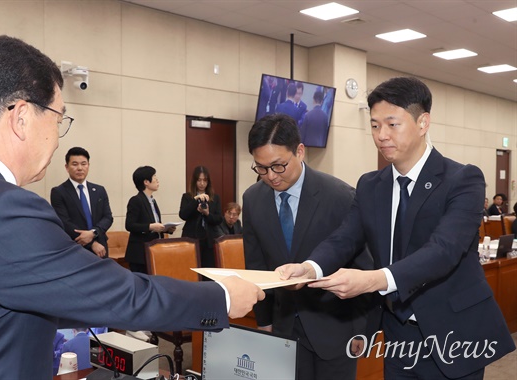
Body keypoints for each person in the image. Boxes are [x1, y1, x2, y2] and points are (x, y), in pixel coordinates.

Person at [0, 35, 264, 379]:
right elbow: (124, 296)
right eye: (58, 119)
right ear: (21, 117)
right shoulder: (4, 209)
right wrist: (222, 297)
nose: (57, 138)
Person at [279, 77, 515, 379]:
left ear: (423, 122)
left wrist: (373, 280)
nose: (381, 136)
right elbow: (345, 238)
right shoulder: (370, 185)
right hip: (397, 332)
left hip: (454, 331)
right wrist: (311, 268)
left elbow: (444, 250)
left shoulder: (462, 179)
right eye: (375, 126)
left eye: (392, 124)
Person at [243, 113, 374, 379]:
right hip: (283, 326)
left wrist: (363, 329)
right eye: (261, 167)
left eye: (278, 166)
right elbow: (256, 265)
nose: (270, 176)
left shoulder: (340, 196)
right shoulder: (253, 199)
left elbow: (364, 265)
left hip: (336, 328)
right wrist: (264, 321)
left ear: (300, 151)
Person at [124, 166, 175, 342]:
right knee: (140, 291)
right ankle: (135, 327)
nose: (157, 180)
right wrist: (151, 227)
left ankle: (147, 325)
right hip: (139, 253)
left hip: (152, 252)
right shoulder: (136, 200)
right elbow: (130, 225)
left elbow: (155, 225)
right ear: (146, 182)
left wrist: (166, 228)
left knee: (150, 291)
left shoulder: (152, 201)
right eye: (155, 177)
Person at [51, 147, 113, 258]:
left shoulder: (99, 190)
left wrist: (94, 233)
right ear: (67, 167)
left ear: (88, 165)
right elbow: (64, 222)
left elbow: (108, 217)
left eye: (83, 164)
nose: (80, 168)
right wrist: (91, 243)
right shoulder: (58, 192)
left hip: (101, 248)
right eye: (74, 164)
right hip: (75, 249)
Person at [179, 165, 222, 267]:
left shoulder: (215, 197)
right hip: (192, 238)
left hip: (209, 240)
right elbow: (183, 215)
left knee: (208, 270)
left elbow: (219, 219)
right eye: (199, 180)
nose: (202, 184)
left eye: (205, 180)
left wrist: (207, 213)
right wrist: (195, 201)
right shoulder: (187, 197)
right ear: (194, 181)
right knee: (191, 268)